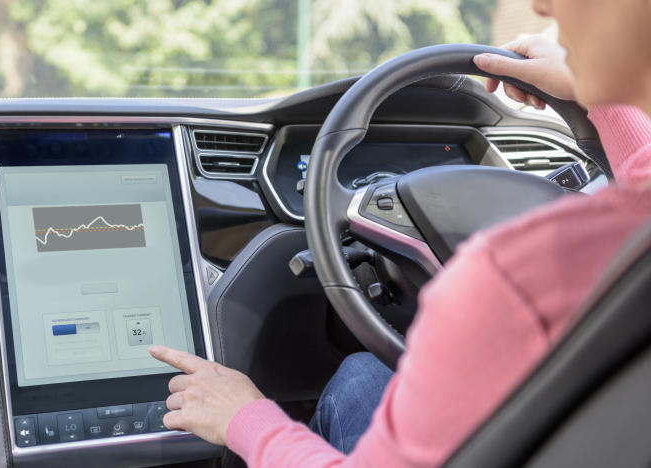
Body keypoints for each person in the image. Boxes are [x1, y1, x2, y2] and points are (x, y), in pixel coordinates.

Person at [149, 0, 651, 466]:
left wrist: (244, 417)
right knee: (368, 373)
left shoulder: (508, 274)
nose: (543, 5)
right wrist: (608, 90)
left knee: (358, 377)